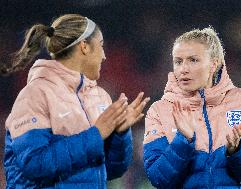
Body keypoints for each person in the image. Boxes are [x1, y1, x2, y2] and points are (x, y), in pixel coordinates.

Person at [3, 14, 150, 189]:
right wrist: (96, 134)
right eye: (101, 46)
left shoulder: (99, 97)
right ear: (84, 47)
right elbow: (35, 164)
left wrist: (120, 134)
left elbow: (111, 171)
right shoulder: (35, 94)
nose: (104, 56)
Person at [143, 27, 241, 188]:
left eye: (193, 60)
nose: (183, 69)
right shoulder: (160, 111)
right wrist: (183, 141)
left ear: (213, 64)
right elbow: (157, 178)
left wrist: (238, 150)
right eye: (178, 61)